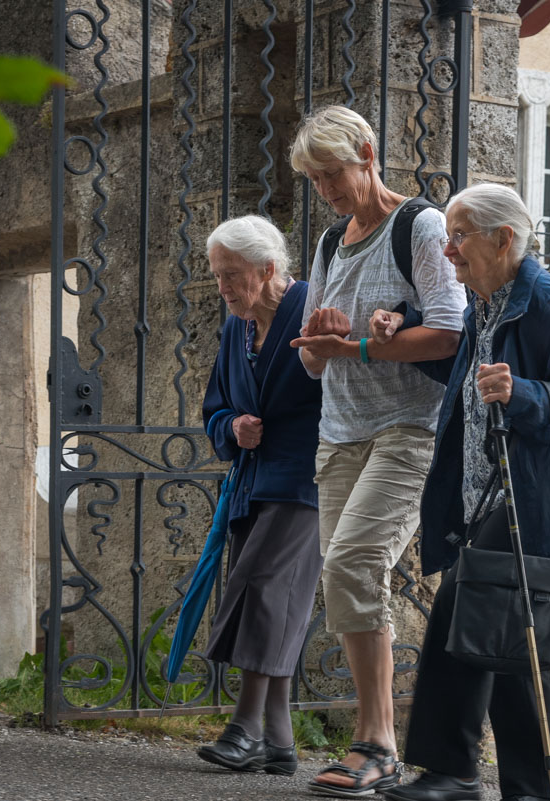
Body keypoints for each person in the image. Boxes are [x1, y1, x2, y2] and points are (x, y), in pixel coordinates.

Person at [371, 183, 550, 801]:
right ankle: (477, 777)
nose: (448, 249)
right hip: (488, 499)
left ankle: (469, 776)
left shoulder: (547, 303)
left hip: (530, 500)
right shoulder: (483, 303)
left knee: (496, 640)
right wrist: (403, 323)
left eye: (459, 236)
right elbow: (461, 372)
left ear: (502, 239)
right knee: (494, 641)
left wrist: (526, 394)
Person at [287, 105, 467, 797]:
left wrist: (358, 344)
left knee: (356, 559)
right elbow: (311, 364)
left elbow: (449, 331)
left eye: (332, 173)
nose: (326, 189)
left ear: (367, 152)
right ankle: (376, 739)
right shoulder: (332, 243)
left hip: (407, 427)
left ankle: (378, 742)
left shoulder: (418, 226)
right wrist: (323, 337)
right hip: (340, 432)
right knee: (344, 575)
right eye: (314, 180)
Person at [197, 215, 324, 777]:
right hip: (254, 482)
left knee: (266, 587)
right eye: (217, 275)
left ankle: (245, 728)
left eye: (231, 275)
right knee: (275, 598)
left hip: (309, 478)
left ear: (268, 270)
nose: (222, 287)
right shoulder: (235, 329)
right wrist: (232, 429)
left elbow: (344, 390)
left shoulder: (312, 308)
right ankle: (279, 741)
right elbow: (215, 409)